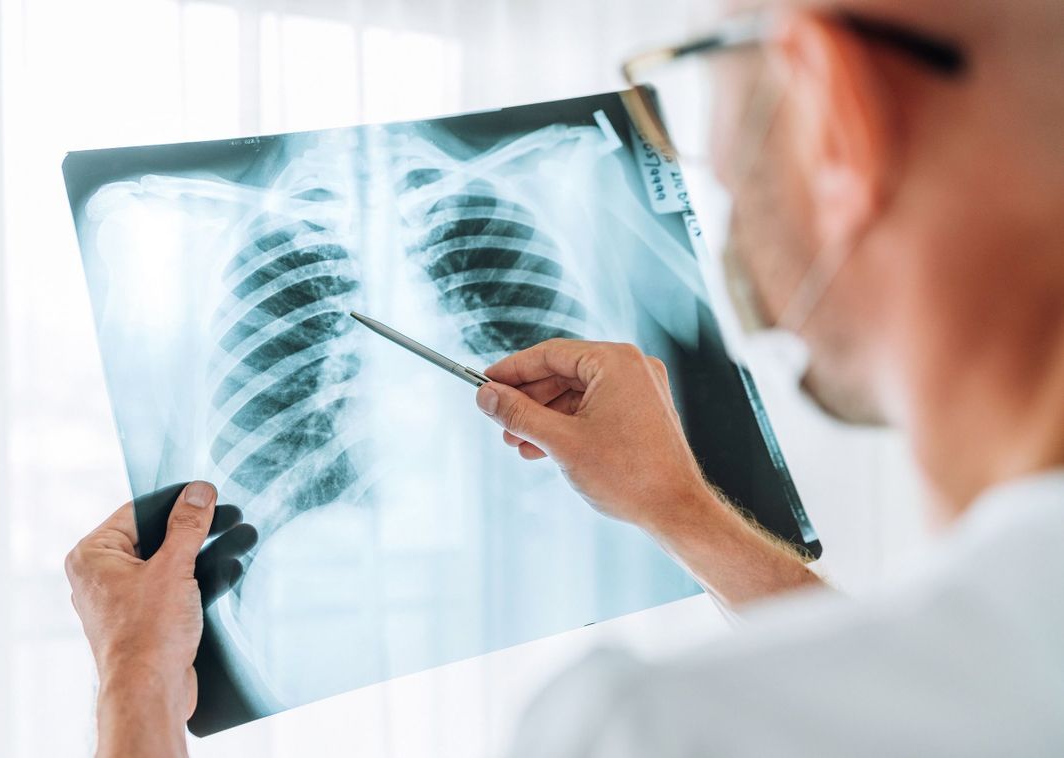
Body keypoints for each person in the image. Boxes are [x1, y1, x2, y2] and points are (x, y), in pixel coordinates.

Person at [65, 0, 1064, 754]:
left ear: (839, 109)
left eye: (703, 58)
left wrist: (134, 691)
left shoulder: (663, 728)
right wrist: (682, 508)